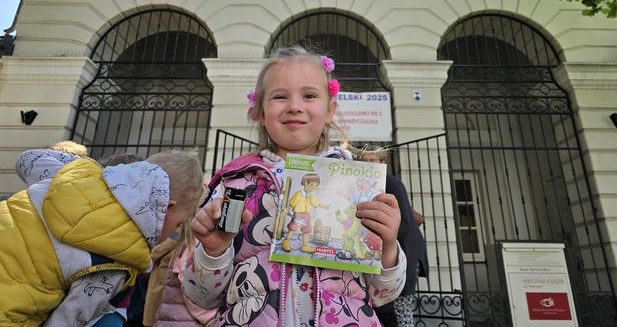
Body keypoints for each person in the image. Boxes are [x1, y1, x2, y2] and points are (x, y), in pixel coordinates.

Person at [180, 46, 406, 326]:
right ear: (259, 111)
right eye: (280, 96)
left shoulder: (357, 186)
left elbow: (384, 294)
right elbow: (200, 296)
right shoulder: (234, 186)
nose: (295, 106)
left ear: (329, 110)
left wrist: (388, 250)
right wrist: (213, 253)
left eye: (309, 95)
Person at [0, 147, 203, 327]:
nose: (175, 230)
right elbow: (68, 318)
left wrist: (89, 169)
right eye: (178, 224)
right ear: (168, 207)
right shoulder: (121, 256)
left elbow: (27, 159)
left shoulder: (83, 176)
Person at [362, 147, 430, 327]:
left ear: (382, 163)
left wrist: (376, 240)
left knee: (400, 311)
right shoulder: (367, 184)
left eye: (372, 160)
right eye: (365, 161)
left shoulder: (390, 182)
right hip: (391, 255)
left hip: (404, 252)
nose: (368, 165)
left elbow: (405, 222)